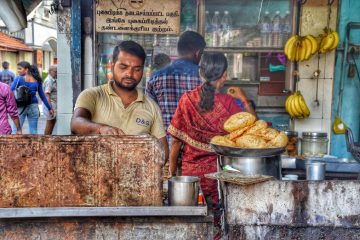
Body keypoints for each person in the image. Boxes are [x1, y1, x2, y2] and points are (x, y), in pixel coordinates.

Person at [168, 52, 255, 219]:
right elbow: (251, 125)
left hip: (190, 176)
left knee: (193, 219)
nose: (226, 77)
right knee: (217, 217)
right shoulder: (228, 102)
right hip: (219, 173)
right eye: (225, 74)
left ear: (201, 73)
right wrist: (243, 98)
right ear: (223, 76)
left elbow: (176, 142)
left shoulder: (187, 100)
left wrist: (171, 173)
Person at [71, 40, 168, 159]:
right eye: (123, 67)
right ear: (112, 66)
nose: (129, 74)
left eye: (137, 69)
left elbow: (163, 151)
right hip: (96, 174)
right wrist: (101, 129)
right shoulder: (92, 95)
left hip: (135, 175)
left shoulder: (152, 107)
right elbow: (76, 124)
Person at [146, 31, 206, 143]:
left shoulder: (155, 78)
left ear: (178, 50)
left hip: (165, 147)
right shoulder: (204, 77)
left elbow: (149, 116)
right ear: (198, 53)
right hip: (195, 148)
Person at [10, 64, 54, 134]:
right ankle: (33, 145)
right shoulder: (37, 81)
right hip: (34, 106)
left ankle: (13, 145)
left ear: (27, 70)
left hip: (21, 106)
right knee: (33, 131)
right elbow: (42, 96)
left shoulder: (19, 78)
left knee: (15, 130)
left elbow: (10, 91)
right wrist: (49, 108)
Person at [43, 65, 57, 135]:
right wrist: (50, 108)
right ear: (50, 71)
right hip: (50, 104)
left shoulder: (53, 79)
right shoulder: (49, 80)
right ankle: (46, 140)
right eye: (55, 71)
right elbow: (47, 94)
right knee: (50, 123)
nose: (57, 73)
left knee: (52, 122)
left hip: (53, 104)